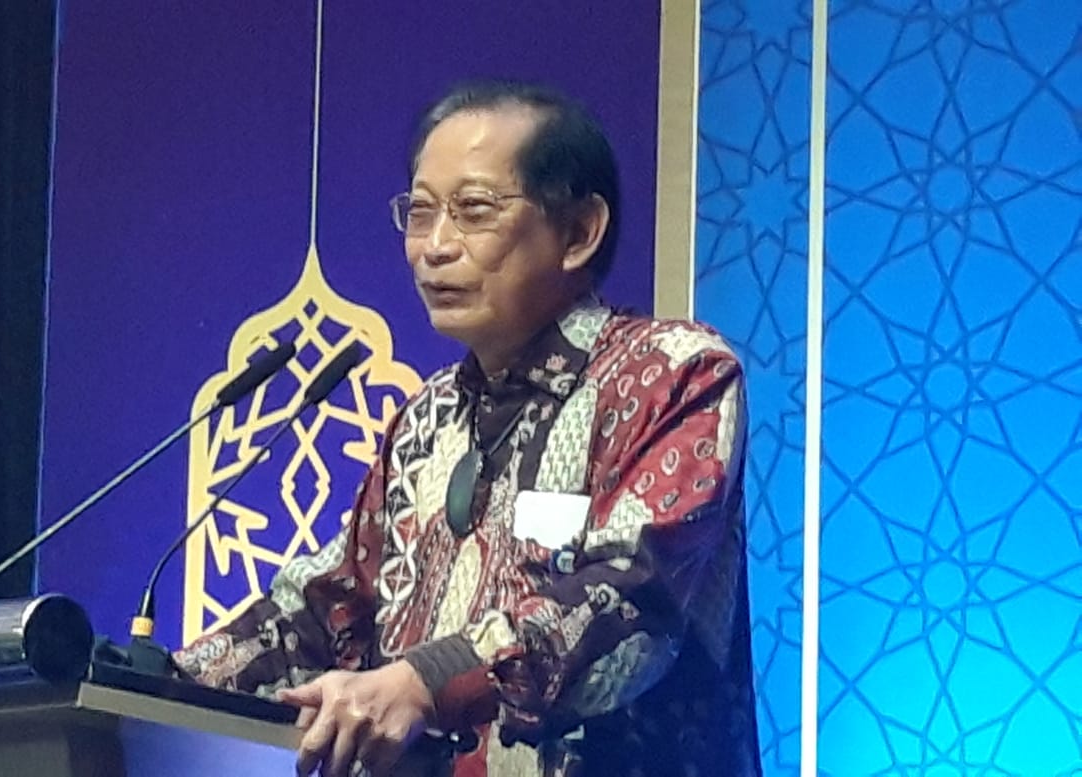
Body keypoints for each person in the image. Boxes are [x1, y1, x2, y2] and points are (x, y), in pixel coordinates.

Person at [173, 80, 760, 777]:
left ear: (578, 232)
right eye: (420, 213)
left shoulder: (674, 374)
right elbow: (328, 607)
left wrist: (427, 680)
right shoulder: (427, 417)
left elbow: (630, 597)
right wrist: (149, 678)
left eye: (474, 211)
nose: (434, 247)